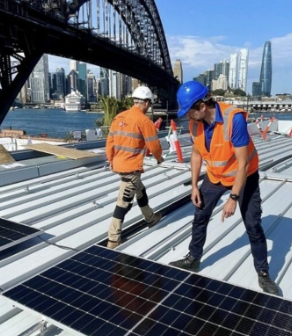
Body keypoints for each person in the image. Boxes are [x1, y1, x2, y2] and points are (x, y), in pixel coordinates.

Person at [169, 81, 278, 294]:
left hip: (244, 176)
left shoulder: (233, 119)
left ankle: (263, 273)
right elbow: (196, 154)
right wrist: (194, 186)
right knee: (200, 215)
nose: (187, 116)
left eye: (189, 111)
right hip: (215, 176)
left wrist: (233, 198)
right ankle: (193, 258)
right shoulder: (194, 123)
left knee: (253, 225)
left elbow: (243, 162)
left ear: (202, 106)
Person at [105, 86, 164, 249]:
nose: (149, 106)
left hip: (118, 164)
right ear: (146, 102)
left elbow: (110, 142)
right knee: (123, 202)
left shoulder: (119, 117)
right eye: (150, 104)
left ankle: (150, 217)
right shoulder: (144, 121)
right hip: (131, 168)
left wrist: (111, 160)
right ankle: (113, 239)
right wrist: (159, 158)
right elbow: (154, 145)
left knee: (140, 190)